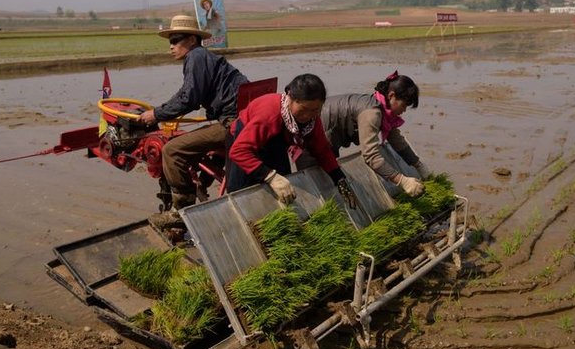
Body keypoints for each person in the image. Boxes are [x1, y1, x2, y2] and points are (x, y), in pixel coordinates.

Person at [139, 14, 249, 216]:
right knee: (200, 143)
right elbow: (186, 94)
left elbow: (189, 98)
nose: (171, 47)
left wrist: (156, 114)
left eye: (175, 40)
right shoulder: (203, 57)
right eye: (170, 42)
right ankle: (201, 186)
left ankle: (183, 210)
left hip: (232, 123)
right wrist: (161, 110)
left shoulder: (195, 57)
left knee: (172, 150)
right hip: (243, 118)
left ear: (191, 39)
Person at [225, 73, 359, 209]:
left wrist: (339, 178)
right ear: (290, 99)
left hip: (275, 145)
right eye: (303, 109)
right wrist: (270, 176)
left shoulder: (312, 120)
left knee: (285, 192)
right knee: (242, 198)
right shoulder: (270, 114)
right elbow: (238, 151)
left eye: (315, 110)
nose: (307, 116)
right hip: (245, 144)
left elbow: (322, 150)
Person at [296, 71, 430, 197]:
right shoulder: (372, 112)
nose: (404, 110)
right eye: (404, 105)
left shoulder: (382, 111)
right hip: (310, 141)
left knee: (330, 186)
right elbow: (371, 155)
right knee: (315, 190)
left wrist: (417, 164)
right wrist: (402, 180)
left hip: (327, 142)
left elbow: (396, 139)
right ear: (391, 96)